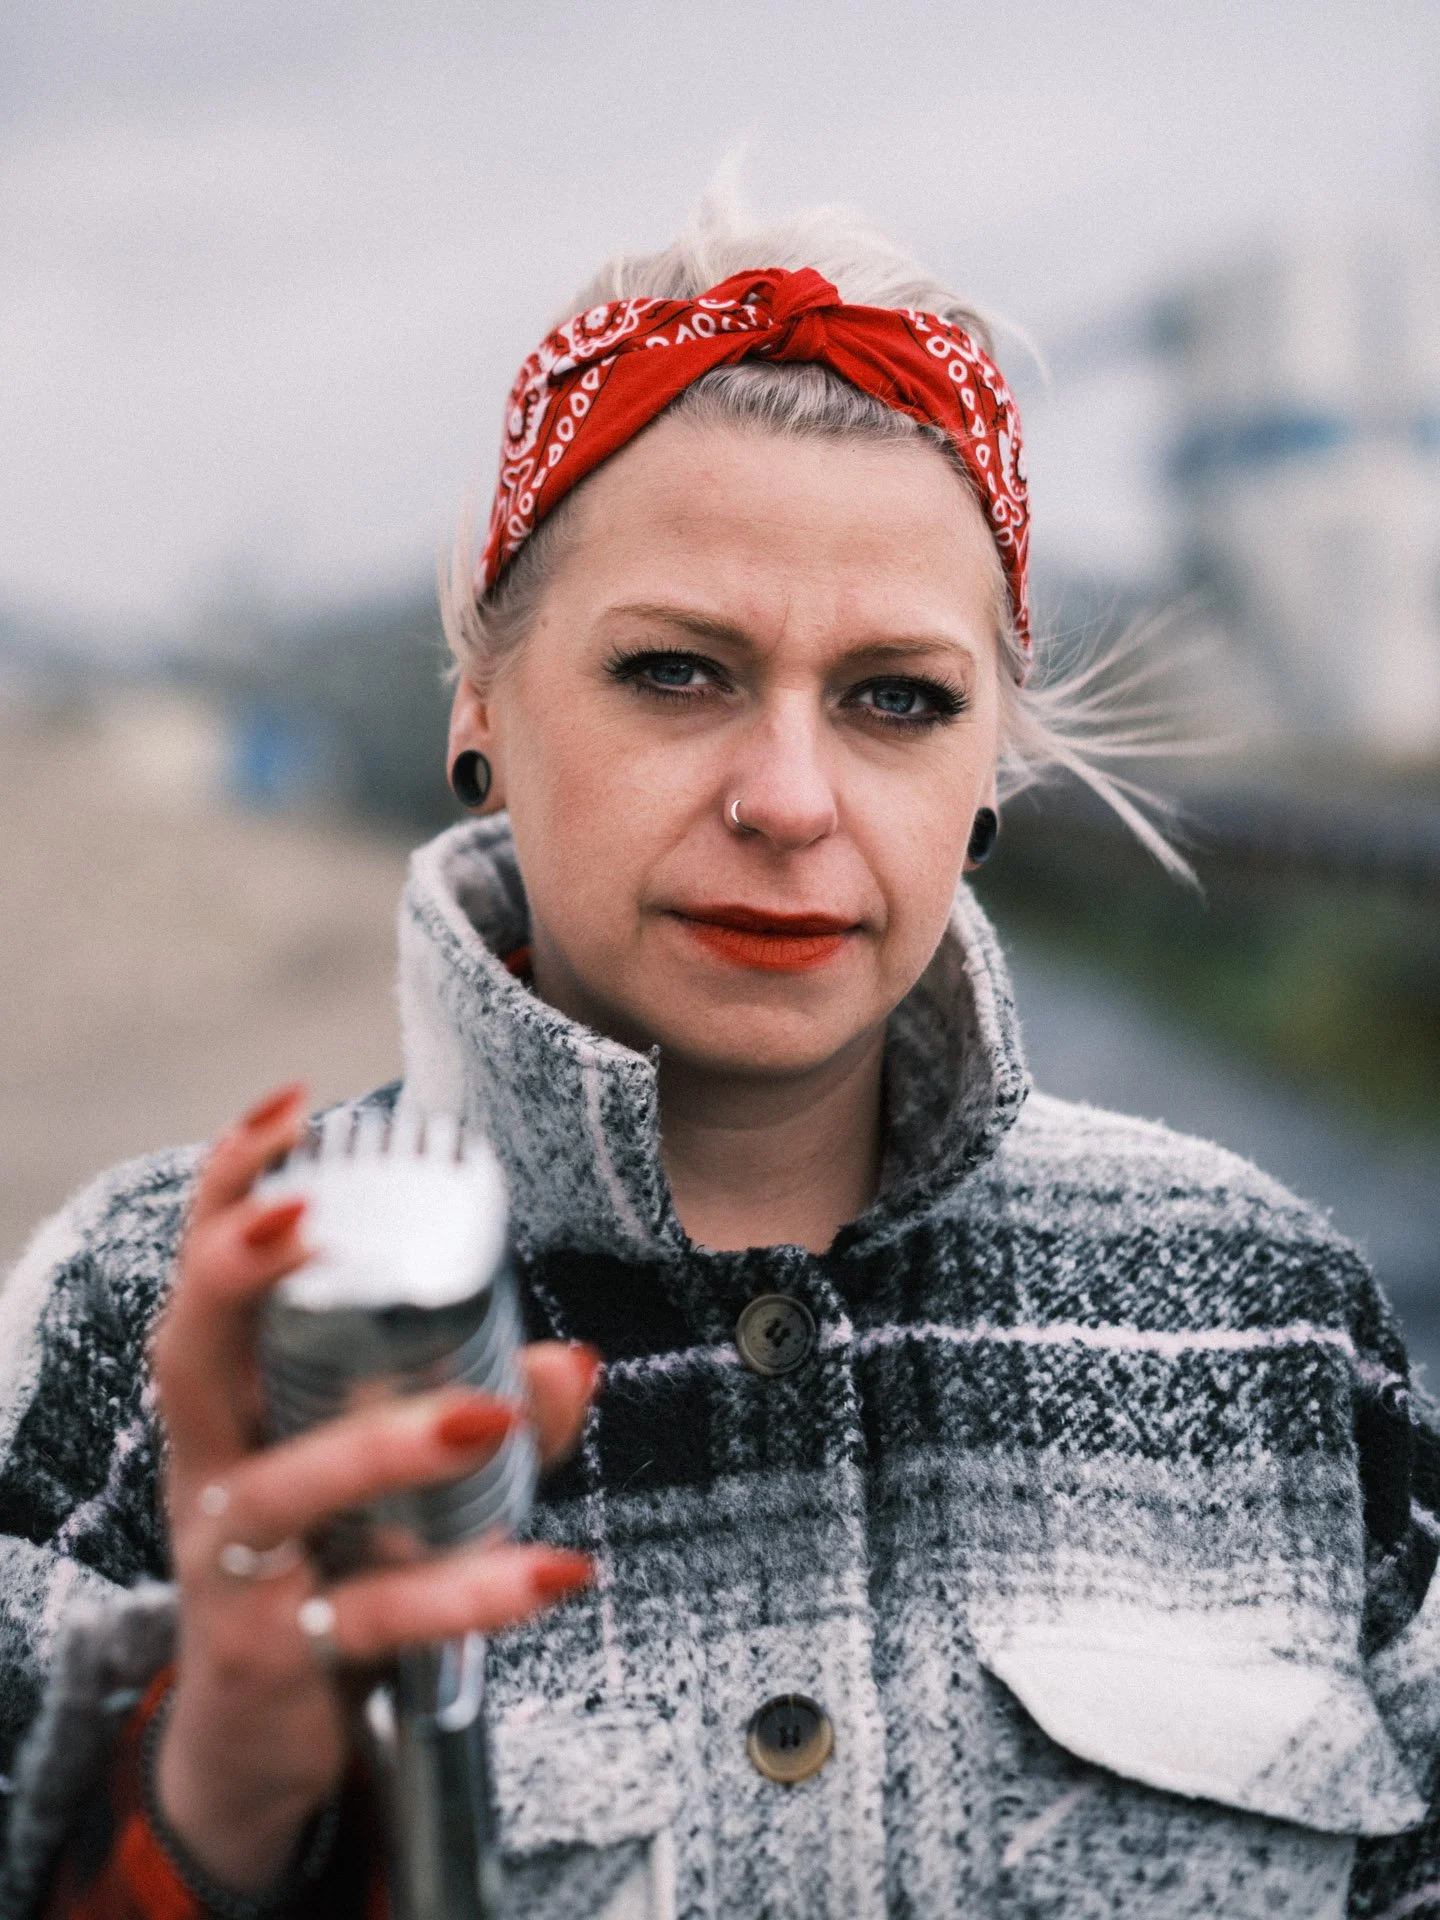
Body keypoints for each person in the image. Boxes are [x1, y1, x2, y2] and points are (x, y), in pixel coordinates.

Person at [2, 192, 1438, 1920]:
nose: (790, 797)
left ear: (994, 762)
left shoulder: (1265, 1304)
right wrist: (208, 1808)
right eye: (678, 673)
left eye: (896, 697)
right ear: (482, 704)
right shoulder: (172, 1331)